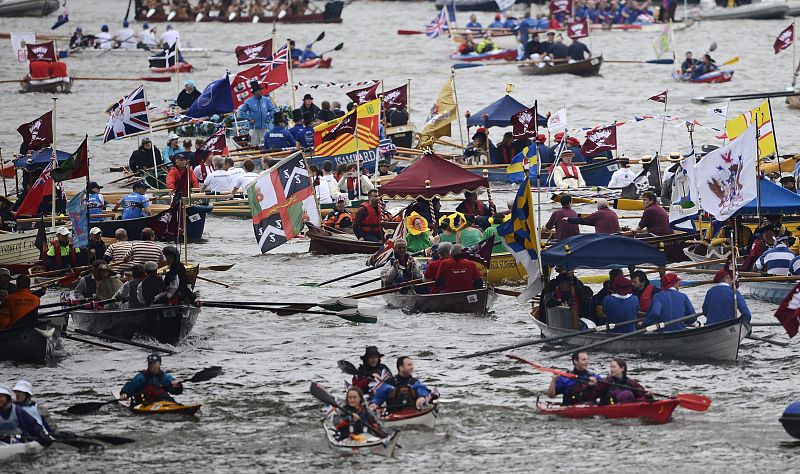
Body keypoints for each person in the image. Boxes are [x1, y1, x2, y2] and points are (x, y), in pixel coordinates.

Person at [237, 81, 277, 146]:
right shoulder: (248, 102)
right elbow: (241, 112)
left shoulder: (267, 100)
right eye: (259, 90)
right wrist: (249, 119)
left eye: (261, 90)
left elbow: (273, 110)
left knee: (265, 145)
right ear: (255, 92)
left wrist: (269, 118)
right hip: (254, 128)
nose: (261, 91)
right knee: (254, 145)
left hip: (265, 128)